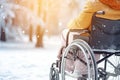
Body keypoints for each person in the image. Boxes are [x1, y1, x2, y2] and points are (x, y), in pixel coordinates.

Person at [57, 0, 120, 79]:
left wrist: (69, 24)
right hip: (115, 43)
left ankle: (68, 67)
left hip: (96, 41)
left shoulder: (94, 4)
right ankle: (85, 68)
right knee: (90, 43)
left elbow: (80, 24)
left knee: (65, 33)